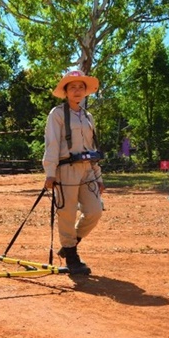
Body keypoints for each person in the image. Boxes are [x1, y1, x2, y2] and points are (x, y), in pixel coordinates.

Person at [42, 69, 105, 275]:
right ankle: (71, 256)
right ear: (66, 91)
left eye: (80, 87)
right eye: (72, 87)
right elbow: (51, 144)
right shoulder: (57, 114)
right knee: (67, 213)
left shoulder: (88, 117)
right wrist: (50, 172)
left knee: (94, 211)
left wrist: (98, 176)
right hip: (65, 168)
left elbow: (92, 147)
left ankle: (70, 244)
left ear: (86, 91)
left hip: (87, 169)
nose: (77, 91)